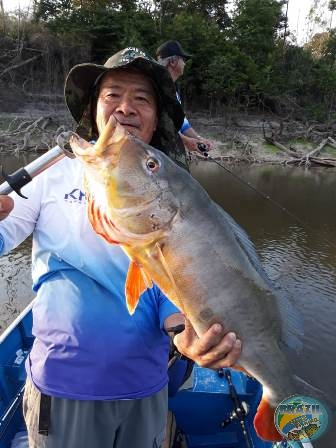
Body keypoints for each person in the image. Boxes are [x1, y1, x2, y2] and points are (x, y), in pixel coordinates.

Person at [0, 47, 241, 448]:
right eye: (112, 94)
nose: (126, 107)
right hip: (63, 388)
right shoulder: (51, 173)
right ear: (93, 107)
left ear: (155, 117)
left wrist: (185, 335)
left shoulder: (168, 185)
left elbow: (172, 278)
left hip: (145, 388)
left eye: (141, 98)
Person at [156, 40, 214, 155]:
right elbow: (157, 124)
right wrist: (186, 141)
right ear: (173, 62)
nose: (185, 63)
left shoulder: (174, 93)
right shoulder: (156, 88)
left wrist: (199, 139)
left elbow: (183, 125)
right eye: (183, 59)